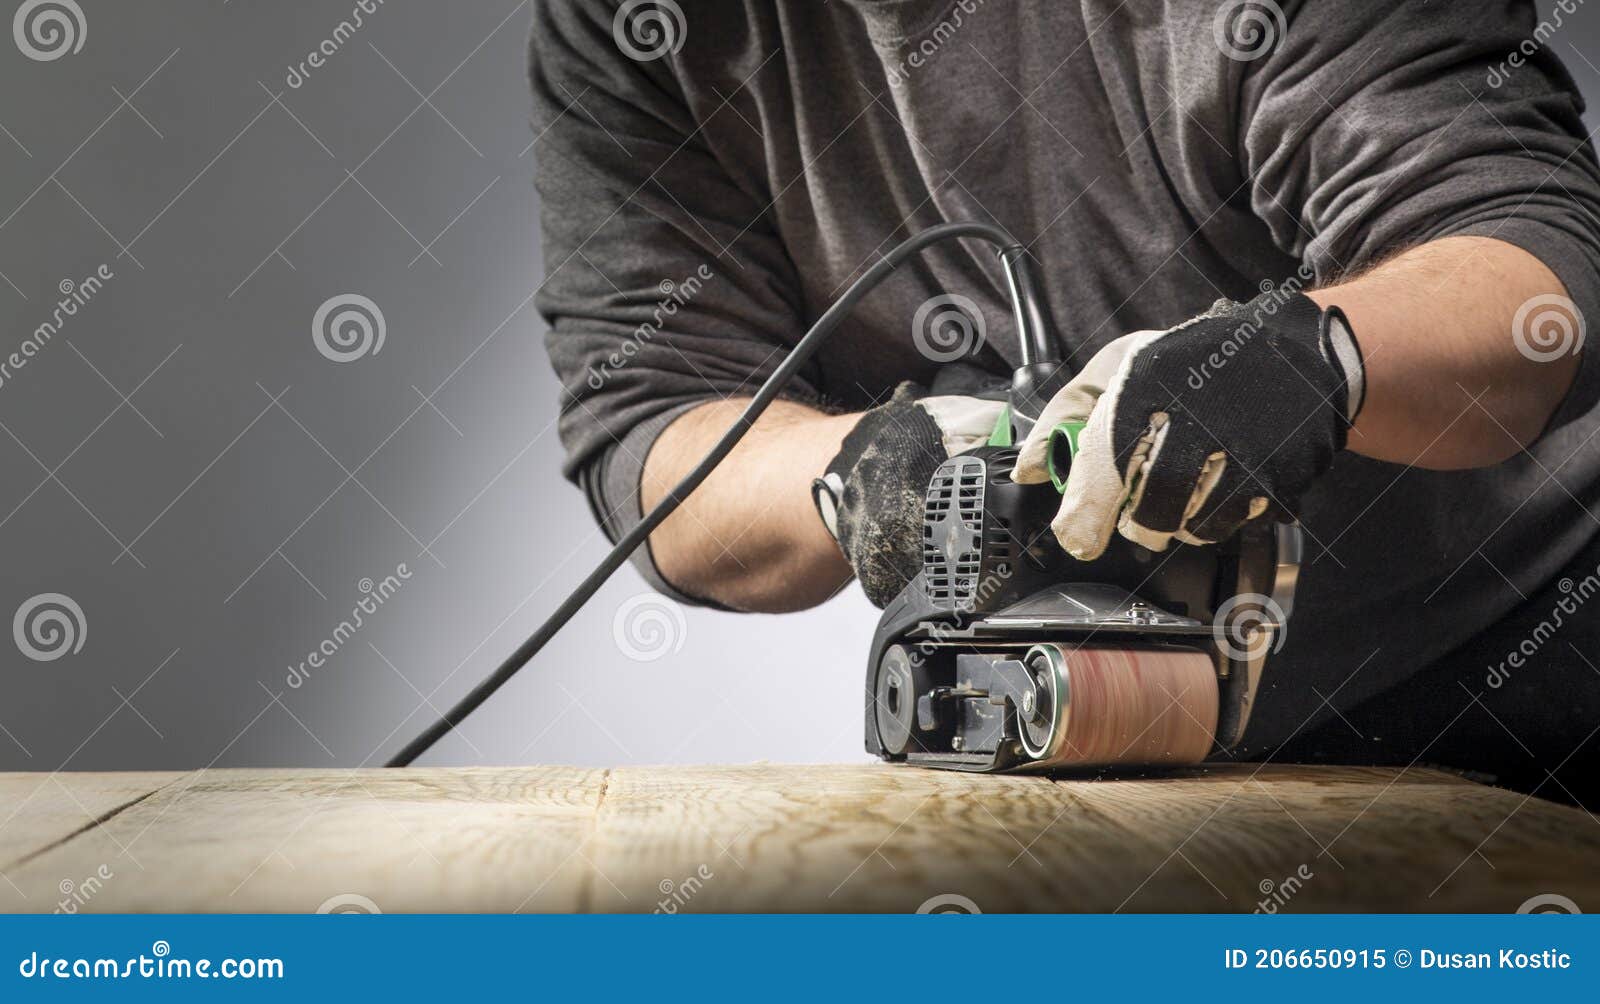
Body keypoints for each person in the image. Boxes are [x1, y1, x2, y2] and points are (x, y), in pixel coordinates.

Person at [530, 1, 1600, 804]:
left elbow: (1537, 267)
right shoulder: (636, 26)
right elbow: (650, 416)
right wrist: (851, 472)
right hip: (1167, 746)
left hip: (1544, 638)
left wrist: (1308, 363)